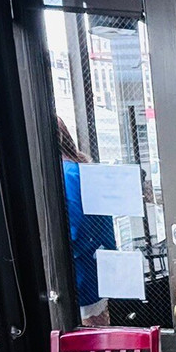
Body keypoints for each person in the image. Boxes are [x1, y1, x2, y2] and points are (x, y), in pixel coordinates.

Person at [58, 118, 115, 326]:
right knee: (99, 329)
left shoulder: (66, 175)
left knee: (88, 332)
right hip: (94, 267)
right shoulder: (80, 169)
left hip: (79, 270)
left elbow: (75, 228)